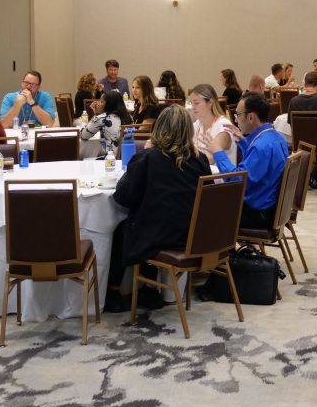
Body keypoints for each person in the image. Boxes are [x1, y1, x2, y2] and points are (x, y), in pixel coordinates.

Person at [103, 105, 213, 313]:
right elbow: (208, 198)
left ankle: (113, 291)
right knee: (153, 218)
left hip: (158, 237)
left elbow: (123, 197)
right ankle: (150, 289)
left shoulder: (148, 158)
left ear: (159, 129)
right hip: (192, 236)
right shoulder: (200, 160)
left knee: (124, 229)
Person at [206, 93, 290, 229]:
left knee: (204, 207)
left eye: (238, 115)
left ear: (251, 117)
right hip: (270, 208)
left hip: (257, 214)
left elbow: (236, 181)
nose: (236, 120)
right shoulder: (276, 137)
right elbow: (259, 167)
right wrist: (243, 142)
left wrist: (218, 152)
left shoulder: (260, 146)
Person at [190, 83, 237, 166]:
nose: (192, 107)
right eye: (191, 103)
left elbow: (211, 158)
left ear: (210, 103)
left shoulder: (223, 126)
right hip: (200, 172)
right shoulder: (197, 125)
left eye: (196, 103)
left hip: (220, 174)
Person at [80, 90, 131, 157]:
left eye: (101, 102)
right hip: (128, 156)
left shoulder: (102, 118)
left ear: (108, 104)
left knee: (85, 157)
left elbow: (84, 135)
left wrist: (96, 115)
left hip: (110, 158)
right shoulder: (129, 117)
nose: (98, 104)